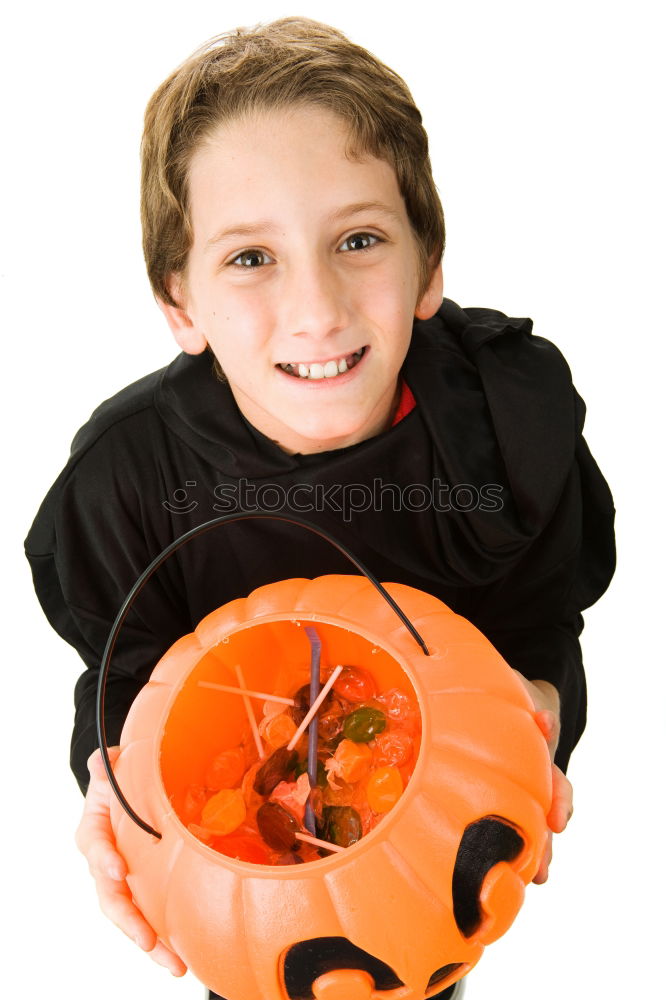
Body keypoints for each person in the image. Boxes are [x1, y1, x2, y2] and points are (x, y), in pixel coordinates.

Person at [24, 16, 615, 1000]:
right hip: (251, 876)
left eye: (359, 239)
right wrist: (113, 776)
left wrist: (537, 704)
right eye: (250, 258)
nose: (319, 308)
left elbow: (540, 615)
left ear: (428, 267)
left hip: (431, 837)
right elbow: (121, 672)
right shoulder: (125, 480)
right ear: (180, 303)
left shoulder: (508, 422)